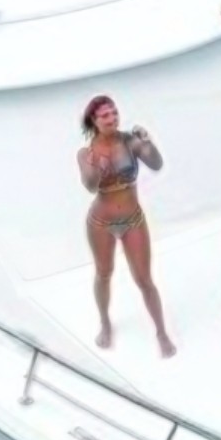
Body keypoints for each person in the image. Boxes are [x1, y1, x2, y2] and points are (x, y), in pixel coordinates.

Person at [78, 94, 176, 358]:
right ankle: (105, 322)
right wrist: (97, 167)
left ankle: (161, 332)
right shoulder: (86, 153)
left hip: (132, 220)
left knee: (145, 279)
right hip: (101, 222)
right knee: (104, 273)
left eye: (114, 113)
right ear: (94, 121)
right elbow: (89, 186)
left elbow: (156, 164)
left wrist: (148, 142)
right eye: (105, 116)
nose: (111, 119)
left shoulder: (129, 141)